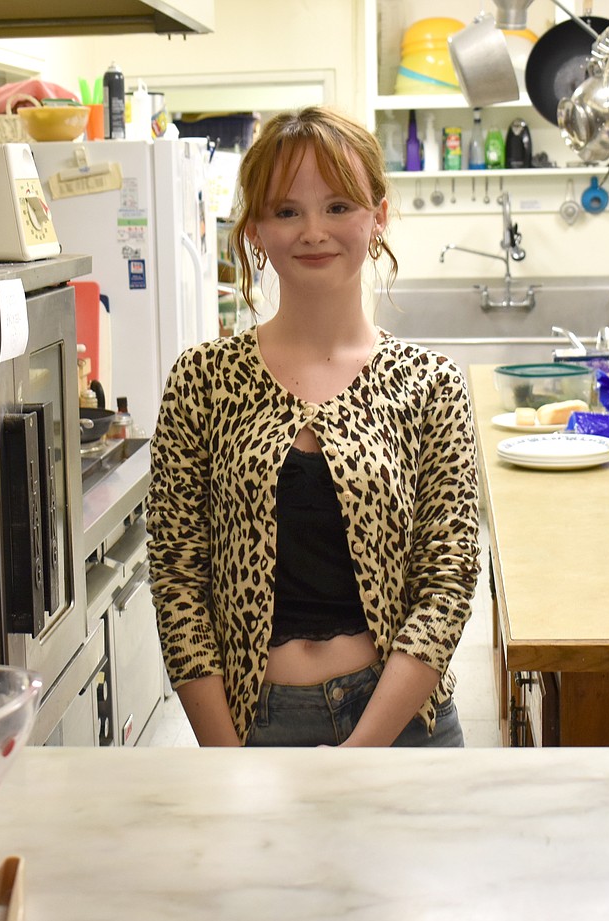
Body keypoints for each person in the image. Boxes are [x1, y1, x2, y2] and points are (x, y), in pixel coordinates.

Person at [147, 106, 482, 748]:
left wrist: (358, 755)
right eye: (285, 211)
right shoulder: (202, 380)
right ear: (255, 231)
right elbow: (178, 578)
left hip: (402, 725)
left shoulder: (430, 383)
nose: (313, 232)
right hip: (251, 725)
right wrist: (227, 756)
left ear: (377, 217)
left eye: (337, 206)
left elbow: (447, 579)